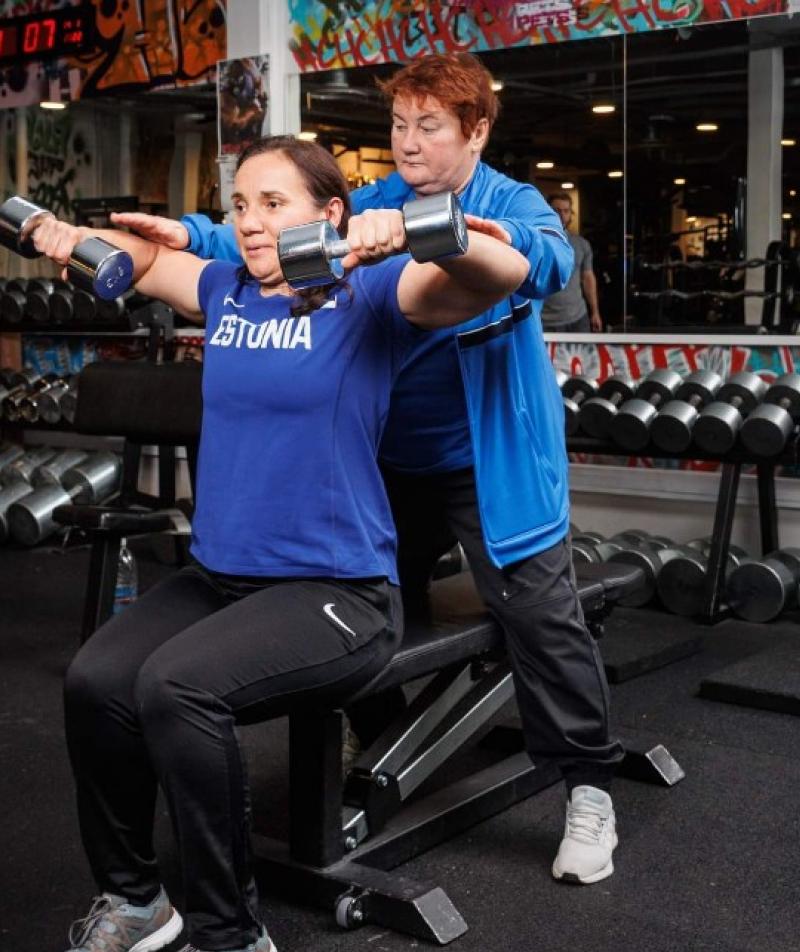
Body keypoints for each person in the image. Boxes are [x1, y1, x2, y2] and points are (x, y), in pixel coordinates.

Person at [35, 135, 528, 952]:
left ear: (328, 213)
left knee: (175, 687)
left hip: (337, 591)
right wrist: (70, 235)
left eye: (275, 203)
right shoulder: (225, 292)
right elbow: (145, 263)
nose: (253, 222)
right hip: (224, 576)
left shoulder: (370, 295)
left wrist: (412, 230)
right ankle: (137, 899)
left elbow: (499, 272)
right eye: (241, 205)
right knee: (96, 681)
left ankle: (230, 940)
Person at [114, 52, 624, 890]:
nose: (408, 143)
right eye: (398, 125)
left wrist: (459, 235)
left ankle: (588, 784)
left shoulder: (508, 200)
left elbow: (547, 259)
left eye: (430, 126)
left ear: (478, 130)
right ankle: (381, 735)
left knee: (539, 612)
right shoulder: (380, 197)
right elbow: (281, 233)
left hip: (481, 458)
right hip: (389, 460)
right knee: (363, 609)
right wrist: (196, 234)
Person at [541, 192, 603, 332]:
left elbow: (588, 279)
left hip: (578, 317)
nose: (562, 215)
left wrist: (595, 312)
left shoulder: (581, 244)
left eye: (566, 211)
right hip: (545, 320)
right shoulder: (537, 242)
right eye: (556, 210)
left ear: (570, 214)